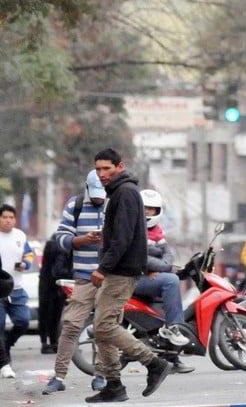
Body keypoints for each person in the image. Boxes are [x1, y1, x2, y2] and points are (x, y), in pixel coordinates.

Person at [87, 148, 173, 402]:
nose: (102, 174)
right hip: (119, 269)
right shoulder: (119, 192)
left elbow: (123, 237)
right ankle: (113, 384)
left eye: (107, 168)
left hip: (120, 272)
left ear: (120, 167)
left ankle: (153, 363)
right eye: (98, 169)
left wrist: (103, 268)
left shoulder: (124, 192)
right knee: (104, 329)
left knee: (104, 326)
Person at [43, 171, 108, 395]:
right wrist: (81, 240)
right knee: (70, 325)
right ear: (88, 188)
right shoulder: (76, 205)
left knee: (104, 328)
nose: (100, 199)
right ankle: (59, 376)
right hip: (84, 277)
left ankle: (101, 375)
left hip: (111, 278)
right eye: (97, 194)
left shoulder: (116, 202)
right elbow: (61, 238)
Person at [132, 189, 193, 371]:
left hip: (150, 276)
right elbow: (140, 256)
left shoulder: (157, 231)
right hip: (135, 279)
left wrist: (159, 266)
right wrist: (155, 267)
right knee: (171, 281)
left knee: (170, 301)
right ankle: (174, 327)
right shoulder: (136, 229)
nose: (147, 213)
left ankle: (171, 357)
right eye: (144, 209)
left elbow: (168, 256)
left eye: (151, 209)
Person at [0, 203, 35, 379]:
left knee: (23, 321)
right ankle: (4, 362)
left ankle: (6, 344)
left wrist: (25, 264)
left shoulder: (20, 235)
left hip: (17, 288)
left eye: (11, 217)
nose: (8, 221)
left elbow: (28, 254)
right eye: (4, 217)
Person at [38, 232, 69, 354]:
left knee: (45, 313)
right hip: (56, 285)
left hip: (45, 283)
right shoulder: (62, 246)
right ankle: (54, 342)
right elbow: (58, 270)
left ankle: (45, 343)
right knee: (55, 315)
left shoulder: (52, 243)